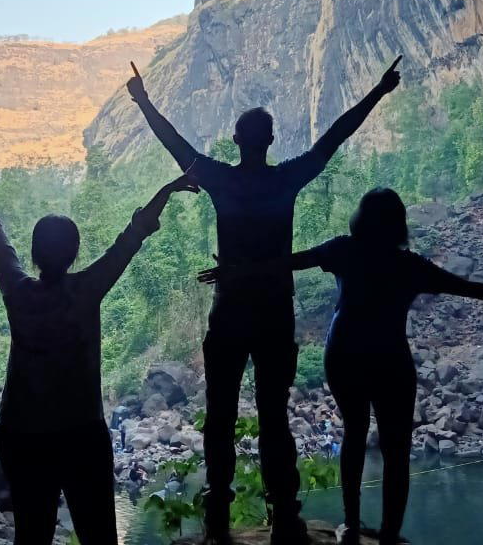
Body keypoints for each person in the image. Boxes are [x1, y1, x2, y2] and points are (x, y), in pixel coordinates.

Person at [199, 187, 483, 545]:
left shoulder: (344, 251)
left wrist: (237, 271)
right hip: (390, 358)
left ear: (360, 219)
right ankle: (390, 534)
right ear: (398, 225)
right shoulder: (410, 266)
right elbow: (472, 287)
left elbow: (287, 263)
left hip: (344, 353)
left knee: (354, 434)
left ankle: (349, 523)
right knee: (397, 450)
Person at [127, 57, 403, 544]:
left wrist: (144, 101)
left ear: (236, 140)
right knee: (274, 415)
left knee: (220, 415)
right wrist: (377, 92)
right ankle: (285, 516)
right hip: (275, 316)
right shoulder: (285, 179)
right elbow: (334, 138)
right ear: (271, 140)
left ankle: (217, 516)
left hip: (230, 313)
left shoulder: (221, 178)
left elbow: (174, 144)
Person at [0, 176, 197, 545]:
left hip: (21, 432)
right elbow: (131, 238)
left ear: (35, 254)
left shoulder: (17, 290)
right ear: (75, 253)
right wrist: (164, 191)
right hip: (80, 433)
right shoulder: (87, 288)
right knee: (98, 535)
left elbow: (1, 247)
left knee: (31, 535)